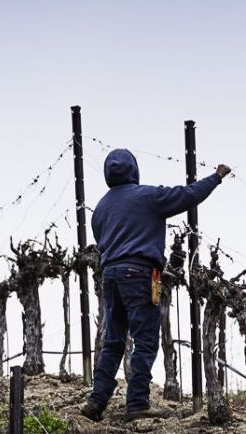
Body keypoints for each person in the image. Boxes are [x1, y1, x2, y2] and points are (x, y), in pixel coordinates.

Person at [80, 148, 231, 422]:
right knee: (146, 340)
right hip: (139, 275)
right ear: (133, 170)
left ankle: (96, 401)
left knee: (113, 341)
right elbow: (187, 196)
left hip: (110, 277)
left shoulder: (100, 209)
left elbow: (103, 243)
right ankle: (137, 402)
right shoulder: (148, 196)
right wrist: (216, 177)